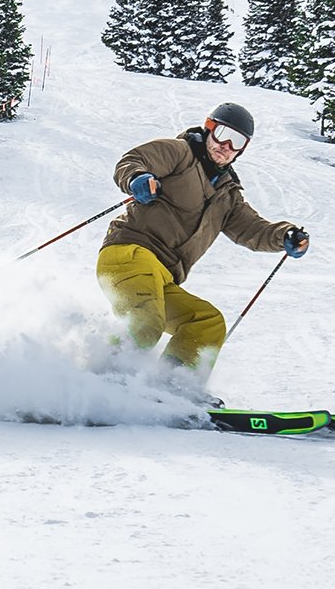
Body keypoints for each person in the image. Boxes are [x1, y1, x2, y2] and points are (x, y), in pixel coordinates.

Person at [97, 102, 309, 383]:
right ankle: (98, 380)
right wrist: (137, 178)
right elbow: (134, 160)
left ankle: (171, 390)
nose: (226, 146)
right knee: (147, 323)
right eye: (223, 134)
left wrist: (284, 236)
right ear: (209, 128)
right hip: (130, 253)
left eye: (237, 142)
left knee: (206, 322)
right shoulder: (180, 153)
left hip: (163, 277)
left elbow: (252, 228)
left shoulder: (227, 195)